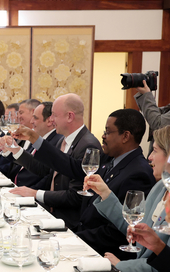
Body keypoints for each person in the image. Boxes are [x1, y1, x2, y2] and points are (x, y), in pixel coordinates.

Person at [14, 107, 155, 254]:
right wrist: (34, 139)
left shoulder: (139, 173)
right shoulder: (110, 158)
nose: (103, 136)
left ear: (125, 136)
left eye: (108, 131)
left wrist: (72, 239)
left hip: (101, 251)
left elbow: (118, 229)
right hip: (82, 234)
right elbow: (69, 165)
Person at [84, 126, 170, 272]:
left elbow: (162, 263)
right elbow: (135, 230)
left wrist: (121, 266)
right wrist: (106, 194)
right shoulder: (160, 188)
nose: (150, 158)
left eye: (155, 151)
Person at [9, 93, 101, 231]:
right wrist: (15, 149)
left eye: (54, 115)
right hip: (52, 213)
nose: (51, 120)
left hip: (69, 222)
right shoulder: (62, 140)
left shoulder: (88, 145)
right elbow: (42, 169)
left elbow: (75, 196)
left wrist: (35, 194)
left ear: (69, 116)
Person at [7, 101, 63, 187]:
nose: (31, 121)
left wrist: (33, 193)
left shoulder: (57, 141)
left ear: (49, 121)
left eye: (35, 118)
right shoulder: (40, 136)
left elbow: (45, 174)